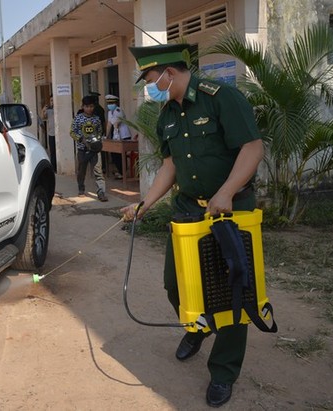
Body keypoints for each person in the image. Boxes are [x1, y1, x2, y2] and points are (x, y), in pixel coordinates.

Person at [121, 43, 264, 408]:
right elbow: (170, 166)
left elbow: (251, 147)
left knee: (232, 290)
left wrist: (227, 192)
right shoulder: (166, 114)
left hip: (230, 213)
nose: (149, 85)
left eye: (151, 78)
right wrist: (145, 203)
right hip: (187, 213)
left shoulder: (222, 98)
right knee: (177, 285)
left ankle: (223, 371)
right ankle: (197, 329)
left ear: (169, 72)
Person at [70, 95, 108, 202]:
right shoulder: (78, 118)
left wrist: (96, 141)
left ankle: (101, 192)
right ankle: (81, 188)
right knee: (81, 171)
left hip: (94, 150)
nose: (89, 109)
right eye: (87, 106)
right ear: (83, 106)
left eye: (91, 106)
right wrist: (81, 139)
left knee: (98, 171)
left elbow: (100, 131)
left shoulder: (96, 119)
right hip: (82, 150)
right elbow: (72, 132)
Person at [104, 94, 132, 179]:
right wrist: (106, 135)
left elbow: (117, 123)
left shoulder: (119, 111)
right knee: (114, 154)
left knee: (120, 155)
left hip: (123, 135)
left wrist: (115, 135)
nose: (110, 105)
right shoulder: (109, 112)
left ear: (116, 103)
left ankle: (122, 172)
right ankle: (120, 171)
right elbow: (109, 124)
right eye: (109, 103)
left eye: (112, 103)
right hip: (116, 136)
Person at [40, 95, 57, 172]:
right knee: (52, 152)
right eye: (51, 100)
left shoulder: (60, 110)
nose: (52, 102)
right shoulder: (49, 110)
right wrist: (43, 110)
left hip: (59, 135)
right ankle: (54, 168)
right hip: (51, 134)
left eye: (54, 100)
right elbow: (43, 118)